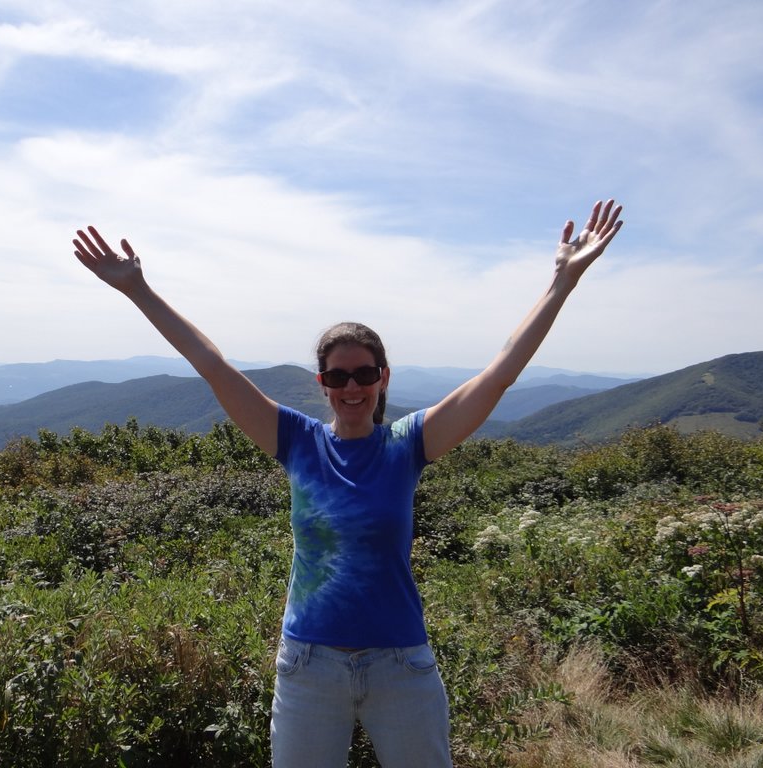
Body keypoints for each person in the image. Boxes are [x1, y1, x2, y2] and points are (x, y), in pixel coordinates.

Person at [72, 200, 623, 767]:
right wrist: (137, 290)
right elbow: (212, 365)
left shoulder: (408, 444)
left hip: (401, 664)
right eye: (338, 376)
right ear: (323, 383)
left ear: (383, 378)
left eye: (364, 374)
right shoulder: (296, 441)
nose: (351, 387)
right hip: (310, 667)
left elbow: (500, 373)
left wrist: (562, 282)